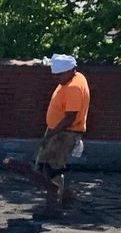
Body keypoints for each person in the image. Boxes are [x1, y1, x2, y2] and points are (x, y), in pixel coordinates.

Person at [36, 54, 91, 211]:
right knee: (47, 166)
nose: (56, 78)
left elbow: (70, 117)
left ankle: (54, 207)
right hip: (61, 132)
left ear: (69, 71)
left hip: (64, 134)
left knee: (53, 169)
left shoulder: (73, 87)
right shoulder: (77, 77)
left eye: (59, 75)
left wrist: (50, 135)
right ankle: (65, 197)